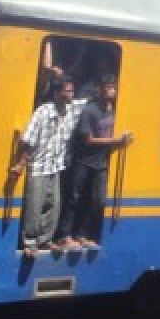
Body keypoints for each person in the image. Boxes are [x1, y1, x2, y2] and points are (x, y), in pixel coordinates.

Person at [55, 74, 133, 250]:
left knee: (97, 200)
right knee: (73, 198)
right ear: (100, 90)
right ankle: (64, 235)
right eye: (108, 88)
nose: (111, 91)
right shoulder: (90, 110)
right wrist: (116, 141)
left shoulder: (113, 110)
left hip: (101, 162)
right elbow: (88, 140)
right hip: (84, 161)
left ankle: (83, 234)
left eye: (113, 88)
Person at [10, 76, 82, 257]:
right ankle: (30, 243)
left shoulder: (71, 110)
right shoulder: (43, 112)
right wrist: (20, 164)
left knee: (53, 205)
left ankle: (45, 240)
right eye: (67, 91)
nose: (70, 95)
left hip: (54, 167)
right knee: (35, 205)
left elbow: (87, 102)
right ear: (57, 93)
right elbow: (28, 141)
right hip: (38, 166)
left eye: (72, 91)